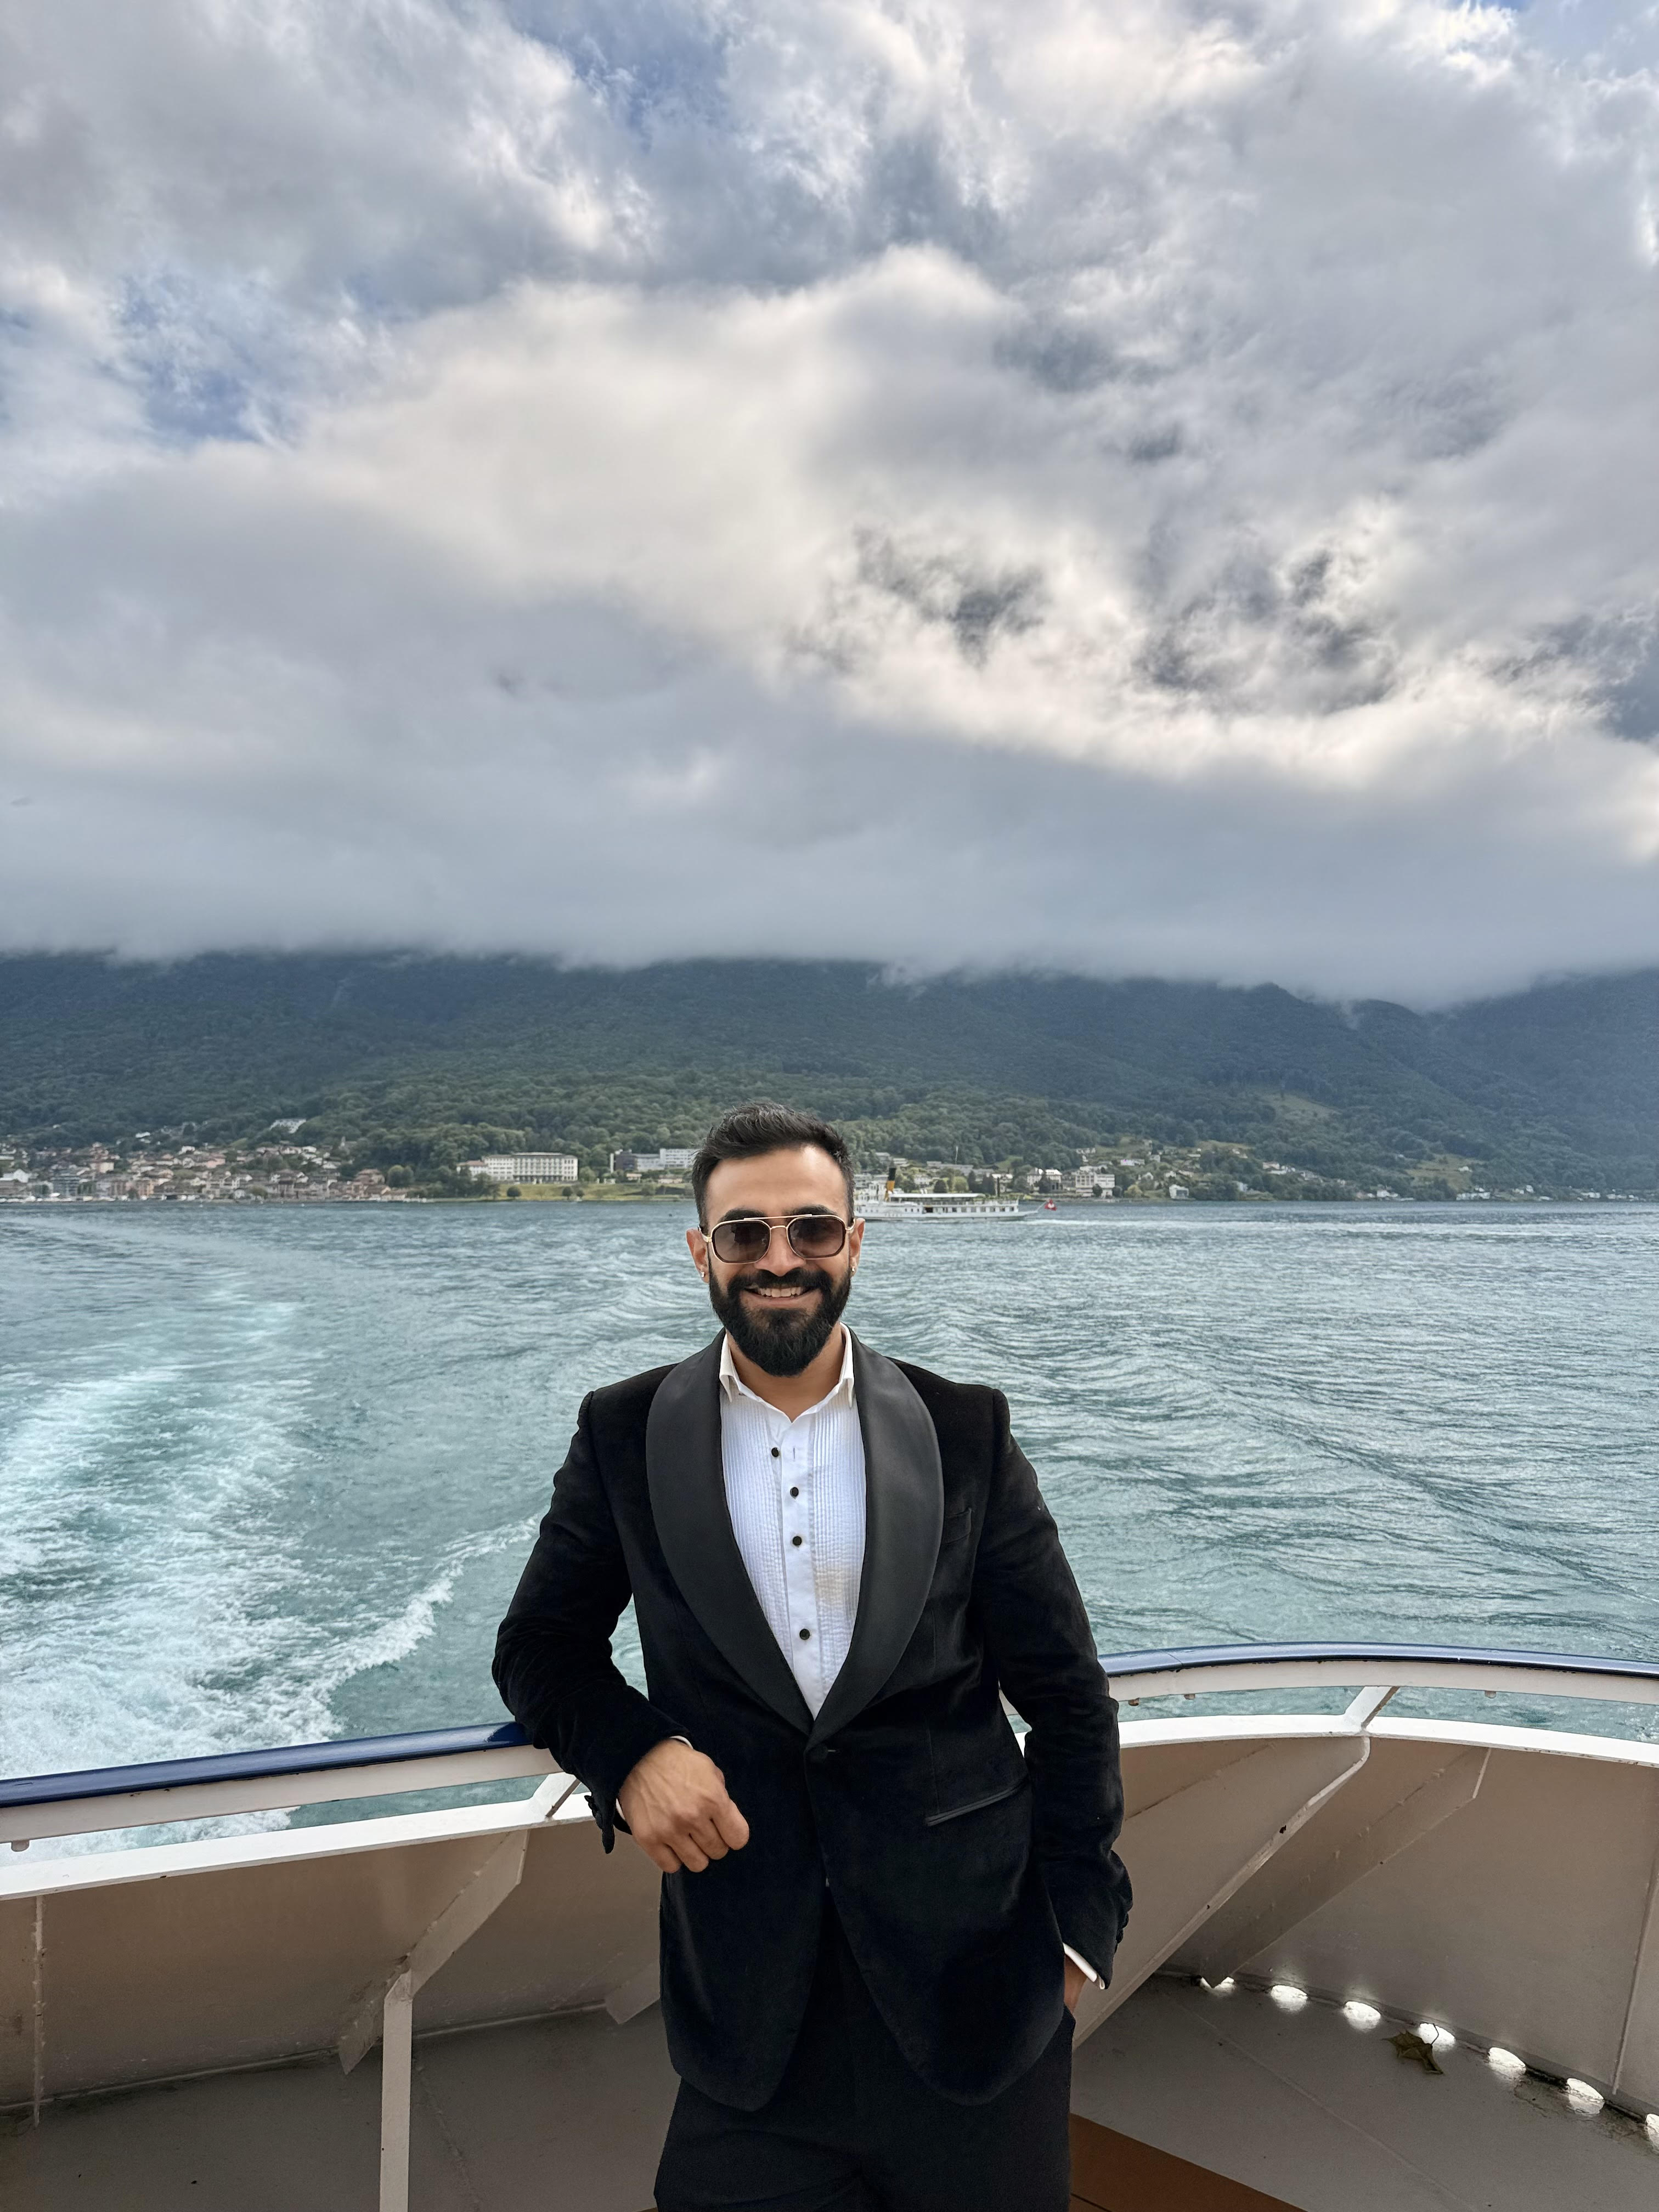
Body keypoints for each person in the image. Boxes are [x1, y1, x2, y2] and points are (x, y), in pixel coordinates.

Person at [494, 1102, 1131, 2211]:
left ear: (854, 1242)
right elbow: (540, 1645)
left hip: (978, 2002)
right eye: (745, 1234)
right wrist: (635, 1756)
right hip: (750, 2015)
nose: (779, 1260)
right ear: (701, 1250)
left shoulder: (965, 1429)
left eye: (811, 1230)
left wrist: (1078, 1938)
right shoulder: (624, 1434)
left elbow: (1070, 1701)